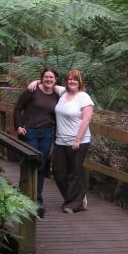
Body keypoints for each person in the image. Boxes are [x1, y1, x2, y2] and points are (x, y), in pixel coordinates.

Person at [28, 69, 94, 213]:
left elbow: (86, 119)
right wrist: (35, 81)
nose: (72, 81)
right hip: (60, 141)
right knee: (58, 172)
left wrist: (77, 139)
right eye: (70, 79)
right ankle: (78, 197)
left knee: (74, 173)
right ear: (66, 81)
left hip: (79, 141)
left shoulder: (84, 97)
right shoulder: (63, 92)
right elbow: (48, 81)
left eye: (75, 79)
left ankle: (72, 204)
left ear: (79, 82)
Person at [13, 67, 59, 217]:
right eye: (46, 77)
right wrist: (18, 126)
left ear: (55, 80)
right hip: (30, 132)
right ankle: (24, 195)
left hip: (46, 134)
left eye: (51, 78)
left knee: (41, 165)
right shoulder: (32, 90)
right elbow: (18, 108)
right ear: (41, 78)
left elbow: (76, 89)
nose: (49, 80)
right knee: (30, 163)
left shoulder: (57, 95)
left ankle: (37, 198)